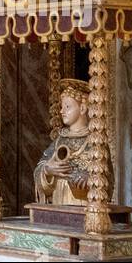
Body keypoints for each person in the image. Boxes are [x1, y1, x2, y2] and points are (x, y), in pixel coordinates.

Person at [33, 78, 111, 206]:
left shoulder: (95, 140)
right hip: (59, 203)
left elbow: (107, 177)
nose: (62, 111)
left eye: (67, 107)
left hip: (84, 206)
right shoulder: (60, 139)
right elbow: (40, 167)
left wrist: (91, 179)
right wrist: (47, 170)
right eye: (61, 107)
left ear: (82, 108)